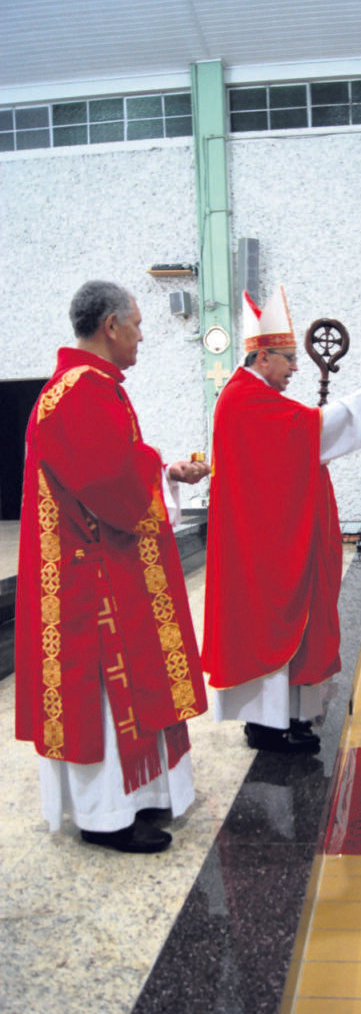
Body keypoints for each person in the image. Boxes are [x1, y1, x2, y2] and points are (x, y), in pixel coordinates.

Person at [15, 280, 210, 854]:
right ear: (110, 326)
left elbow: (107, 469)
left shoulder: (86, 386)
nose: (143, 335)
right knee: (104, 696)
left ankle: (135, 801)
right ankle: (106, 818)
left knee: (121, 690)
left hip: (94, 562)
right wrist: (153, 469)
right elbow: (107, 481)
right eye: (138, 324)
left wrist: (165, 473)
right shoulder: (82, 390)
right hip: (90, 581)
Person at [202, 285, 361, 754]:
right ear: (262, 358)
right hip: (263, 544)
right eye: (289, 359)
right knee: (271, 623)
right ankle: (268, 724)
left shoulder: (258, 398)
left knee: (296, 620)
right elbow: (305, 432)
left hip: (275, 533)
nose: (296, 367)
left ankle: (286, 718)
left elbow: (302, 435)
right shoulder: (242, 399)